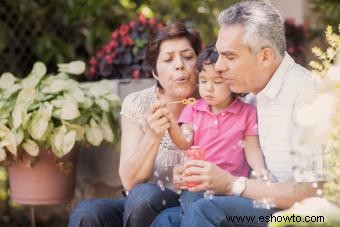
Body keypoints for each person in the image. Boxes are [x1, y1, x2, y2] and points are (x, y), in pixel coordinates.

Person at [152, 1, 323, 226]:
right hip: (261, 201)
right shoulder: (253, 93)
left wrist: (232, 183)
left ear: (265, 57)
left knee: (206, 210)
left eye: (230, 57)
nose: (220, 67)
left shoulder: (305, 95)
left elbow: (312, 191)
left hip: (297, 213)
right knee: (166, 219)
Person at [68, 22, 202, 227]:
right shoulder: (138, 104)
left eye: (188, 56)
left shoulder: (213, 102)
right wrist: (152, 137)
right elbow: (129, 181)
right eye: (168, 59)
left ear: (199, 63)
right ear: (155, 72)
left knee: (143, 196)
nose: (179, 65)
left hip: (188, 204)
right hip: (138, 207)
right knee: (87, 212)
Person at [167, 46, 268, 215]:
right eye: (204, 81)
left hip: (231, 186)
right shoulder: (192, 109)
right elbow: (185, 141)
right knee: (194, 208)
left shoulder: (248, 113)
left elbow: (252, 148)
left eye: (218, 82)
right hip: (198, 184)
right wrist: (171, 124)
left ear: (232, 81)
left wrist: (259, 169)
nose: (209, 88)